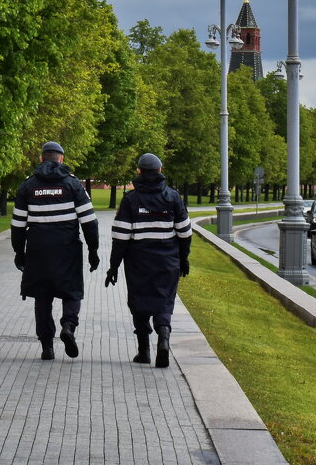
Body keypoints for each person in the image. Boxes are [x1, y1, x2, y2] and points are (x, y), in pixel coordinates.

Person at [12, 141, 99, 360]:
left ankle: (47, 347)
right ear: (62, 159)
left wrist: (19, 252)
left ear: (41, 158)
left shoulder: (28, 186)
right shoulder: (73, 184)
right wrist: (93, 250)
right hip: (67, 249)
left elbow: (18, 225)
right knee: (72, 291)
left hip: (38, 251)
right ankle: (68, 326)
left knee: (42, 297)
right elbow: (89, 221)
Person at [104, 153, 191, 367]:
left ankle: (143, 352)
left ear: (139, 172)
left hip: (138, 264)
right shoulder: (173, 197)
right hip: (167, 262)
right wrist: (183, 259)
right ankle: (164, 339)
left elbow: (120, 237)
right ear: (160, 171)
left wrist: (113, 266)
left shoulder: (130, 200)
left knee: (139, 303)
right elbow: (185, 233)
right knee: (164, 302)